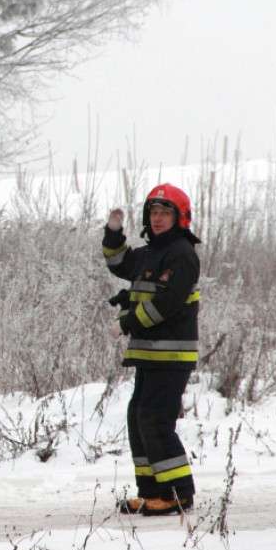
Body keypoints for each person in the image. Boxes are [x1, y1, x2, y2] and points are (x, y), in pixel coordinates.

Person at [102, 184, 201, 516]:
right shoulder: (150, 253)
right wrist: (114, 233)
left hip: (171, 355)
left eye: (164, 213)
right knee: (138, 418)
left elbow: (168, 303)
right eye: (153, 213)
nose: (157, 219)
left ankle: (177, 494)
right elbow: (120, 264)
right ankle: (151, 491)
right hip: (150, 353)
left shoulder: (181, 253)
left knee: (155, 421)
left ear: (180, 217)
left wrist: (128, 322)